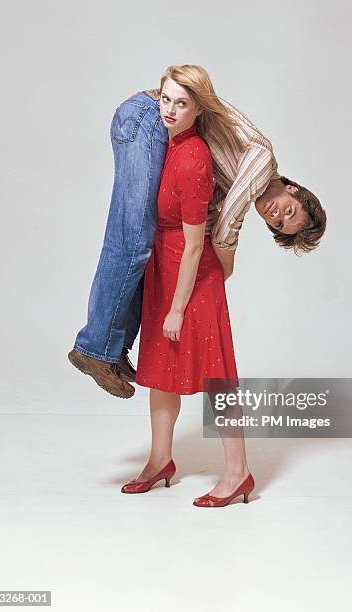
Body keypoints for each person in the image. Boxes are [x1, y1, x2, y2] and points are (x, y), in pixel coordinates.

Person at [68, 64, 326, 401]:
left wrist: (202, 264)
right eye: (287, 211)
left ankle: (112, 350)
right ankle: (94, 348)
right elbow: (228, 219)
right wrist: (226, 264)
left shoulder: (231, 181)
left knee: (148, 248)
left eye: (278, 224)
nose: (276, 215)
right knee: (131, 240)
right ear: (293, 189)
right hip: (147, 115)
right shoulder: (262, 160)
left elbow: (207, 214)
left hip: (158, 124)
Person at [120, 66, 254, 508]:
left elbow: (197, 245)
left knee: (216, 376)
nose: (171, 110)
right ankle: (160, 460)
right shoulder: (168, 142)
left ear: (199, 108)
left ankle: (237, 473)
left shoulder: (194, 157)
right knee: (161, 368)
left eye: (182, 103)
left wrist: (176, 309)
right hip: (166, 267)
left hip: (192, 275)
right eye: (165, 99)